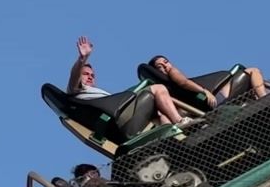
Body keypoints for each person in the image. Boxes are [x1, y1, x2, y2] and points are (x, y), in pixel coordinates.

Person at [66, 36, 194, 128]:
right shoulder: (77, 89)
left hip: (124, 118)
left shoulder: (99, 96)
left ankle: (172, 134)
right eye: (86, 74)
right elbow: (74, 77)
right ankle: (180, 121)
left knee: (160, 113)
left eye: (92, 75)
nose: (90, 77)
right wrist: (82, 59)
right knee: (158, 88)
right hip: (119, 120)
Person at [146, 54, 269, 108]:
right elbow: (184, 82)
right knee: (253, 71)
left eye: (166, 62)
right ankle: (265, 98)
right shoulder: (173, 72)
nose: (166, 66)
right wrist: (205, 91)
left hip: (215, 98)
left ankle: (258, 96)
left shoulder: (169, 90)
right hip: (217, 98)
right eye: (160, 66)